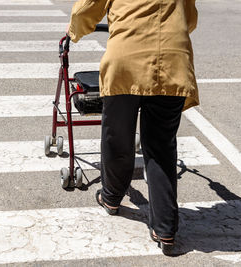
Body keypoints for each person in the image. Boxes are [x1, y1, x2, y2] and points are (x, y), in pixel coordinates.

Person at [67, 0, 199, 255]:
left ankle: (112, 197)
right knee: (161, 147)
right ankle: (165, 229)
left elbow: (85, 10)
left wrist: (74, 32)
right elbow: (190, 19)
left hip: (126, 63)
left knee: (117, 137)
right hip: (172, 62)